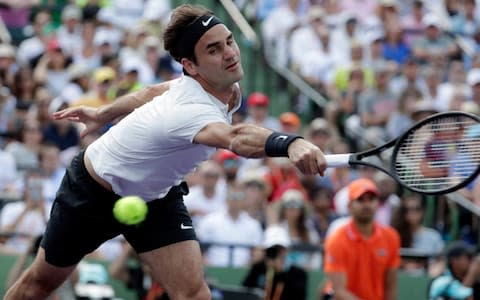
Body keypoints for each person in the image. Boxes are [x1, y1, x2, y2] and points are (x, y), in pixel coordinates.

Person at [5, 4, 327, 300]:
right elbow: (236, 137)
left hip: (156, 197)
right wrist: (291, 143)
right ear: (190, 65)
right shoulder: (192, 110)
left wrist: (104, 113)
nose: (230, 54)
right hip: (92, 190)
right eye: (213, 50)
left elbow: (153, 90)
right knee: (41, 283)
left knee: (193, 293)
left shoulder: (222, 86)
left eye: (229, 41)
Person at [322, 178, 400, 300]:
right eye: (360, 200)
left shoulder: (391, 237)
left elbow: (390, 285)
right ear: (349, 206)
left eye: (371, 199)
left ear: (378, 203)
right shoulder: (337, 239)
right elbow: (339, 291)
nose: (366, 204)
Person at [242, 225, 308, 300]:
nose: (275, 253)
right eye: (271, 249)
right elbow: (245, 293)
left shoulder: (298, 274)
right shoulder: (257, 269)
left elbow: (298, 297)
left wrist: (280, 273)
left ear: (287, 250)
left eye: (280, 249)